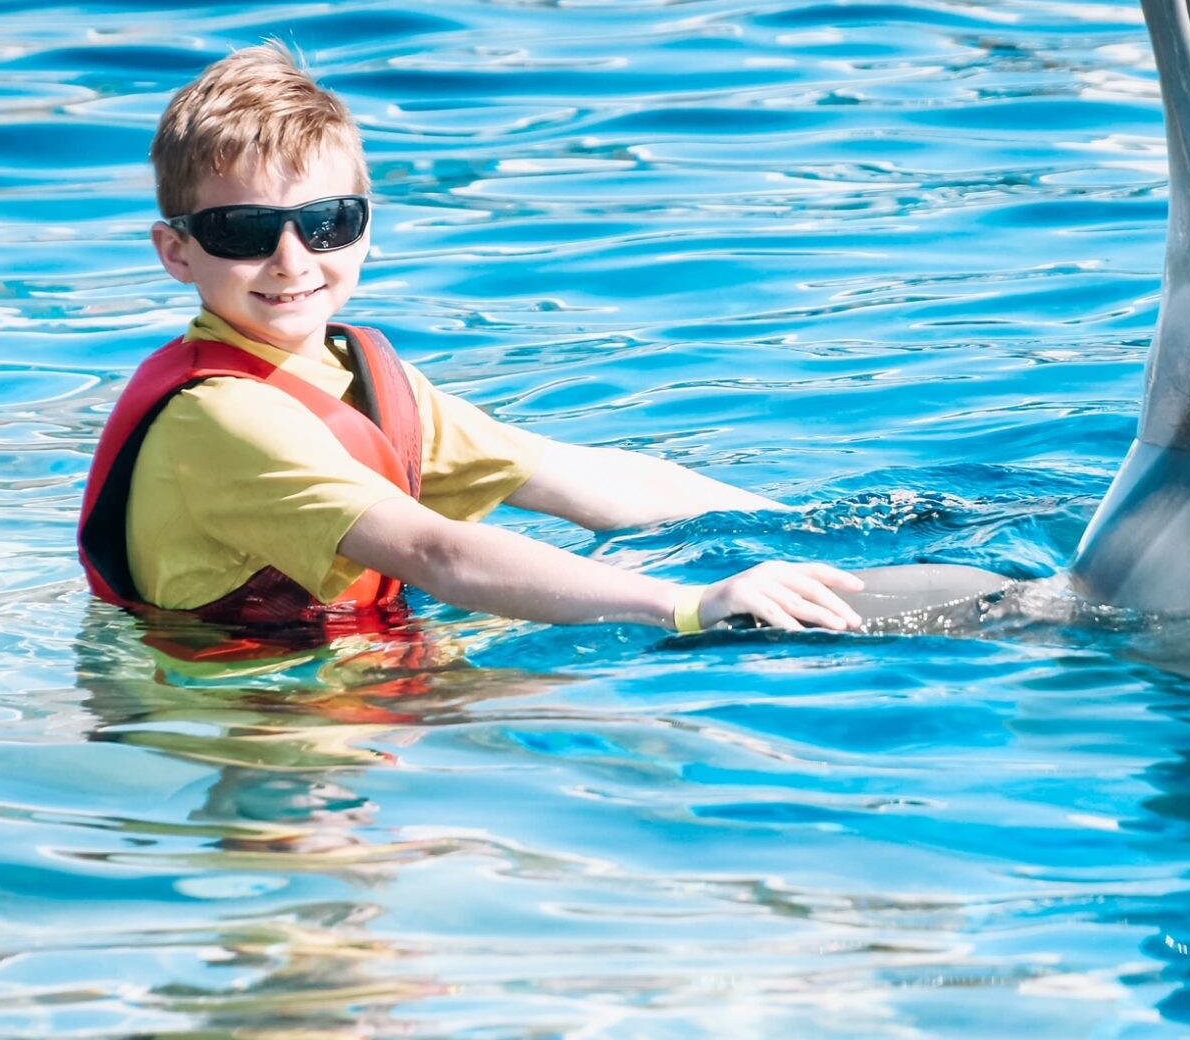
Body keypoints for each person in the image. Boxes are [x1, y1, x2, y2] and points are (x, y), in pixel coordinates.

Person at [78, 42, 863, 638]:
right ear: (176, 251)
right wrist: (689, 606)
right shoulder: (221, 418)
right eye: (244, 231)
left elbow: (573, 477)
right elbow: (437, 556)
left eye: (326, 223)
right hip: (258, 720)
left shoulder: (356, 375)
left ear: (366, 228)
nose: (293, 260)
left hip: (361, 668)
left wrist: (806, 528)